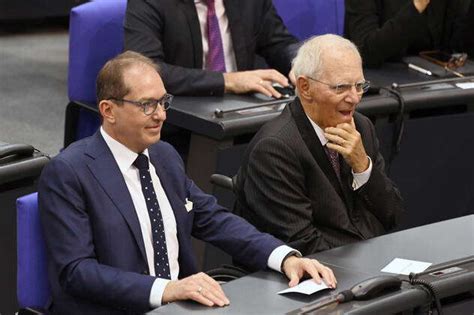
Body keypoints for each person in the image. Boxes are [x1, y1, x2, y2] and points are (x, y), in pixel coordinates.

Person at [38, 51, 336, 314]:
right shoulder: (68, 172)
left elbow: (213, 219)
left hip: (182, 308)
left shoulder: (164, 156)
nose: (161, 115)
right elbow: (77, 272)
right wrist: (165, 290)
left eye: (163, 102)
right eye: (147, 105)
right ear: (108, 111)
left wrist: (283, 257)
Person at [234, 35, 404, 256]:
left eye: (360, 86)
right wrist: (367, 261)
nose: (354, 98)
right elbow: (302, 244)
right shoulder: (275, 148)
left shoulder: (361, 126)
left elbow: (393, 215)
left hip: (362, 262)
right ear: (305, 87)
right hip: (308, 276)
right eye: (341, 87)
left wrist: (363, 167)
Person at [124, 0, 299, 97]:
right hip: (182, 118)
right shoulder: (150, 3)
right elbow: (145, 70)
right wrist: (227, 81)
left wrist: (301, 65)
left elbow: (279, 43)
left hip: (245, 109)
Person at [344, 0, 473, 67]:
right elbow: (366, 52)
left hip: (439, 86)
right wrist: (417, 6)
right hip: (385, 89)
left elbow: (460, 48)